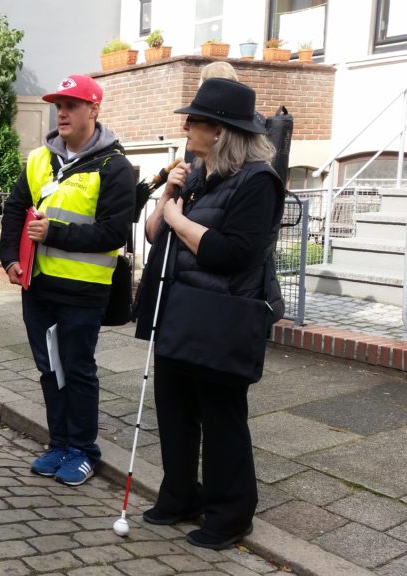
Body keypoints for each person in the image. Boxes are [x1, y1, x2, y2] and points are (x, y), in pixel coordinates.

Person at [135, 78, 284, 549]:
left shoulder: (258, 182)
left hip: (221, 318)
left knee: (222, 420)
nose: (186, 127)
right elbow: (155, 236)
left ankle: (231, 513)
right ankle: (180, 495)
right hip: (179, 310)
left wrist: (181, 220)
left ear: (220, 131)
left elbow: (231, 253)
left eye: (194, 121)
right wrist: (168, 199)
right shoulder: (199, 174)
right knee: (175, 410)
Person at [0, 75, 135, 485]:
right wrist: (8, 258)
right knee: (47, 369)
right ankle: (58, 444)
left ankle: (82, 450)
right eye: (59, 105)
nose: (62, 112)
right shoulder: (41, 159)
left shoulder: (115, 166)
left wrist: (54, 233)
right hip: (38, 287)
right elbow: (15, 209)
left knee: (76, 369)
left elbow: (114, 233)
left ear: (94, 110)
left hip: (83, 291)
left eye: (72, 105)